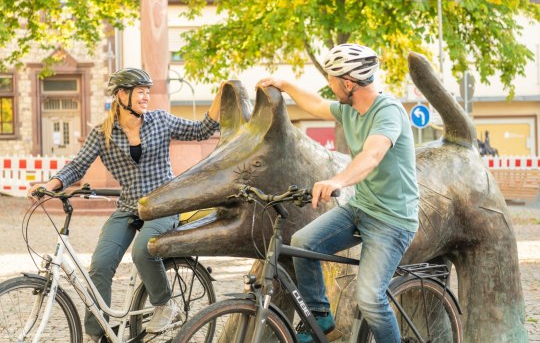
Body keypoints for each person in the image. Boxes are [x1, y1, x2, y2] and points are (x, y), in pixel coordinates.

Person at [28, 68, 222, 343]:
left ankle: (166, 304)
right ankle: (98, 334)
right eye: (140, 91)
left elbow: (201, 130)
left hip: (163, 204)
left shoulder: (161, 120)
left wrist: (220, 95)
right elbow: (77, 166)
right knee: (101, 264)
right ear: (122, 95)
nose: (146, 97)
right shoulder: (103, 134)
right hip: (130, 206)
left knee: (144, 252)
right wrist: (51, 185)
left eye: (147, 91)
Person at [259, 44, 419, 343]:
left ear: (348, 83)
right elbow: (317, 105)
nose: (329, 85)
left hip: (393, 221)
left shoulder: (389, 111)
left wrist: (338, 181)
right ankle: (320, 318)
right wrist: (286, 85)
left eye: (332, 79)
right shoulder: (349, 109)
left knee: (370, 299)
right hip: (361, 208)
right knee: (303, 242)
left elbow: (372, 156)